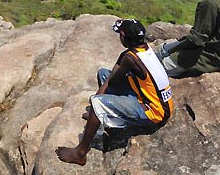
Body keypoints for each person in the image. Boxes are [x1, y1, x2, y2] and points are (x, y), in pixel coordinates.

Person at [56, 19, 174, 166]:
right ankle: (99, 116)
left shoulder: (131, 58)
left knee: (98, 102)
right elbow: (111, 77)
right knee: (103, 74)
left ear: (123, 37)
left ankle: (80, 153)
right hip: (150, 100)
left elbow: (112, 81)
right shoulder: (142, 50)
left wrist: (96, 104)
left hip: (154, 112)